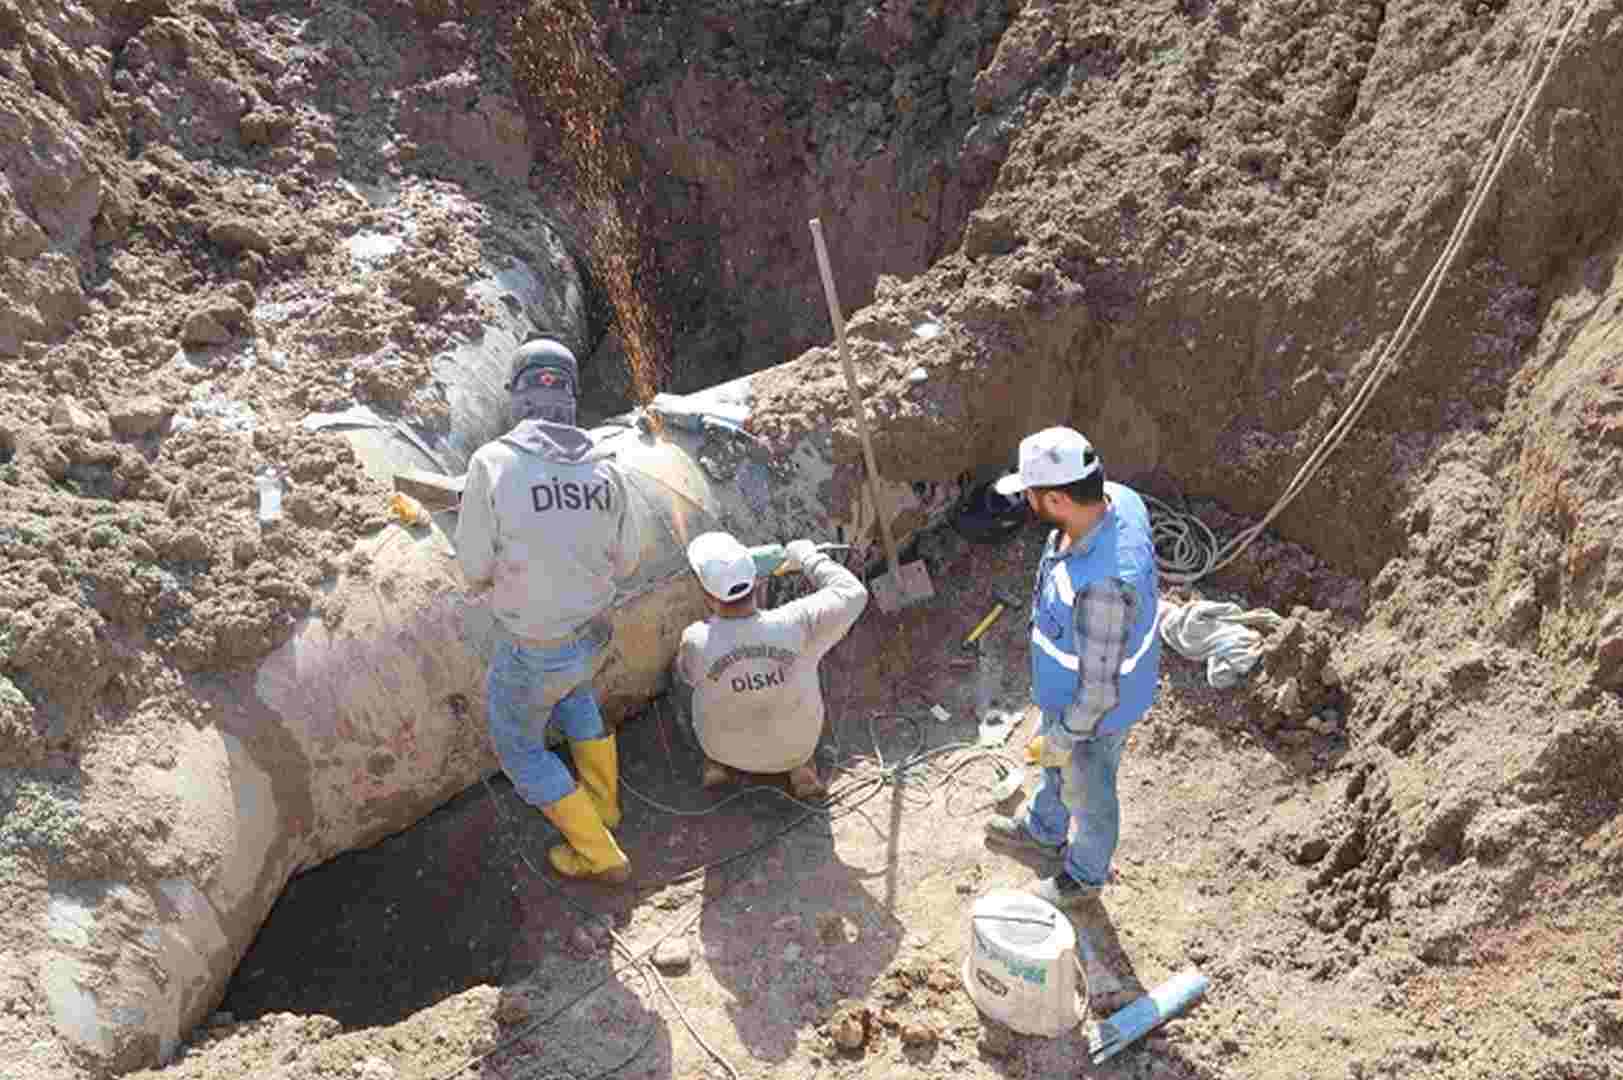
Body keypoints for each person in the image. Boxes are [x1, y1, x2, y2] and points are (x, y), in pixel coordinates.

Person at [455, 337, 647, 884]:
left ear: (518, 397)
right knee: (576, 693)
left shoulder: (493, 463)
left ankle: (599, 852)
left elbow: (472, 568)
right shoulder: (607, 468)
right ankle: (605, 806)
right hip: (591, 636)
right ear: (570, 395)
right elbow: (628, 560)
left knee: (519, 750)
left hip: (534, 647)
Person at [982, 426, 1161, 909]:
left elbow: (1099, 695)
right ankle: (1044, 829)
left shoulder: (1105, 586)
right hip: (1066, 694)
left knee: (1089, 787)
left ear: (1059, 498)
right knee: (1053, 766)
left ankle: (1083, 876)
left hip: (1095, 713)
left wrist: (1063, 735)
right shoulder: (1116, 498)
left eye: (1033, 495)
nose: (1028, 504)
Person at [672, 532, 868, 799]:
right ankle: (801, 770)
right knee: (812, 655)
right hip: (796, 747)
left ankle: (714, 766)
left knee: (680, 675)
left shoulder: (695, 639)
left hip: (726, 750)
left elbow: (691, 675)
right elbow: (854, 592)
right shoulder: (799, 623)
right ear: (756, 580)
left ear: (707, 595)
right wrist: (808, 557)